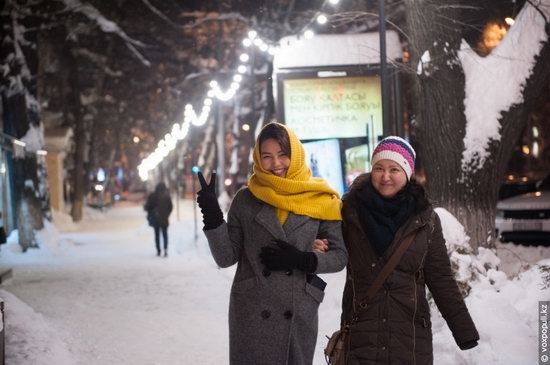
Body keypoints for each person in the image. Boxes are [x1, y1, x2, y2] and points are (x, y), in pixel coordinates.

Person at [315, 136, 479, 364]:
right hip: (361, 336)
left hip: (409, 339)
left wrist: (465, 332)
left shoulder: (426, 219)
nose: (385, 176)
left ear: (408, 174)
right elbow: (332, 248)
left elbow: (441, 277)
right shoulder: (350, 213)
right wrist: (318, 245)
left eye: (394, 169)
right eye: (379, 168)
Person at [197, 122, 348, 365]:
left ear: (295, 155)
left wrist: (303, 259)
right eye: (267, 156)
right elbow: (226, 258)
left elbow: (340, 257)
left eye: (283, 155)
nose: (276, 164)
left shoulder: (321, 199)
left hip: (298, 310)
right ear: (258, 158)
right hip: (253, 312)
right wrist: (213, 217)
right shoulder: (246, 199)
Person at [144, 182, 173, 257]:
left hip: (156, 219)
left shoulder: (153, 196)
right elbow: (171, 207)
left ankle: (158, 250)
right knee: (165, 234)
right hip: (164, 219)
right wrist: (166, 215)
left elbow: (147, 207)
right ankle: (165, 249)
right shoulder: (167, 196)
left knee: (157, 235)